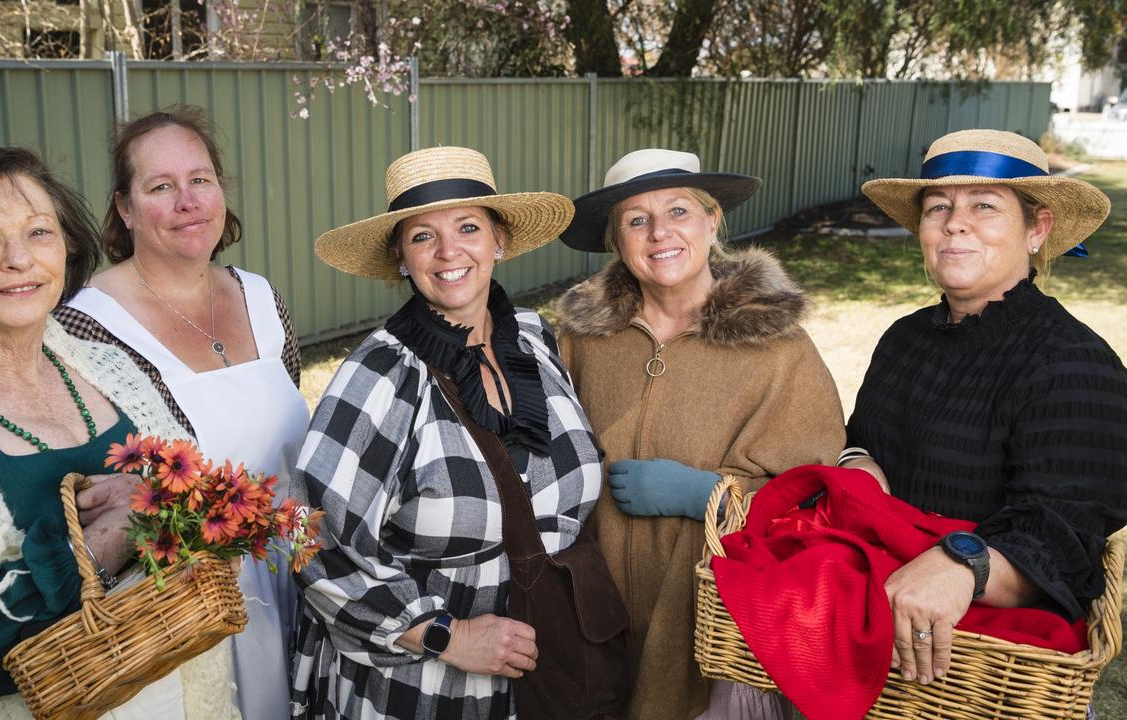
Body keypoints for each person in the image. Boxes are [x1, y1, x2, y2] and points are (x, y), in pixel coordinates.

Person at [0, 146, 238, 719]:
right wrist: (119, 530)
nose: (18, 260)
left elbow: (205, 513)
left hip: (187, 696)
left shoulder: (111, 370)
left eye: (39, 232)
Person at [289, 146, 604, 719]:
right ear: (402, 260)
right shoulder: (380, 374)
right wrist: (447, 636)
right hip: (424, 694)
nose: (448, 252)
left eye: (467, 227)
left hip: (548, 673)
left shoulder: (535, 340)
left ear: (499, 240)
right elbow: (312, 542)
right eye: (422, 236)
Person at [556, 148, 846, 719]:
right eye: (636, 220)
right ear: (617, 241)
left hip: (717, 626)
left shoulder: (778, 348)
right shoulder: (584, 341)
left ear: (713, 222)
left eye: (679, 211)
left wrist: (710, 496)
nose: (659, 232)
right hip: (596, 609)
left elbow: (820, 500)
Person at [845, 128, 1127, 688]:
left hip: (985, 670)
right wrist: (858, 470)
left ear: (1037, 230)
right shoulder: (903, 339)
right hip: (870, 628)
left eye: (985, 206)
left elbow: (1060, 542)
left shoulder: (1074, 363)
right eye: (939, 207)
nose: (956, 222)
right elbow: (863, 440)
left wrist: (962, 565)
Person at [53, 105, 308, 720]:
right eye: (161, 187)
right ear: (125, 209)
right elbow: (104, 490)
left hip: (301, 570)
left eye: (201, 179)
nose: (189, 201)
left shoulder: (261, 295)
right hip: (189, 602)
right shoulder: (85, 325)